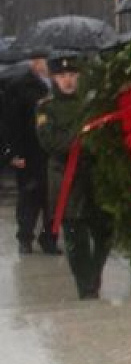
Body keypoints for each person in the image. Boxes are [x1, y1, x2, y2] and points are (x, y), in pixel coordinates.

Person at [36, 53, 111, 298]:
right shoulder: (46, 107)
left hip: (94, 175)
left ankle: (94, 273)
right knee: (75, 236)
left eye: (72, 75)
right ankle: (85, 286)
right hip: (65, 179)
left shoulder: (91, 103)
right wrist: (81, 140)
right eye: (61, 76)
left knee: (104, 231)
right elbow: (51, 142)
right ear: (53, 78)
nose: (67, 81)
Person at [2, 48, 58, 254]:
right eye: (44, 61)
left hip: (52, 152)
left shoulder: (56, 84)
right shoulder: (20, 86)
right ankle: (25, 237)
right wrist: (13, 153)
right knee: (29, 196)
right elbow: (10, 124)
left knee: (52, 198)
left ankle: (50, 237)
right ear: (35, 63)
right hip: (29, 151)